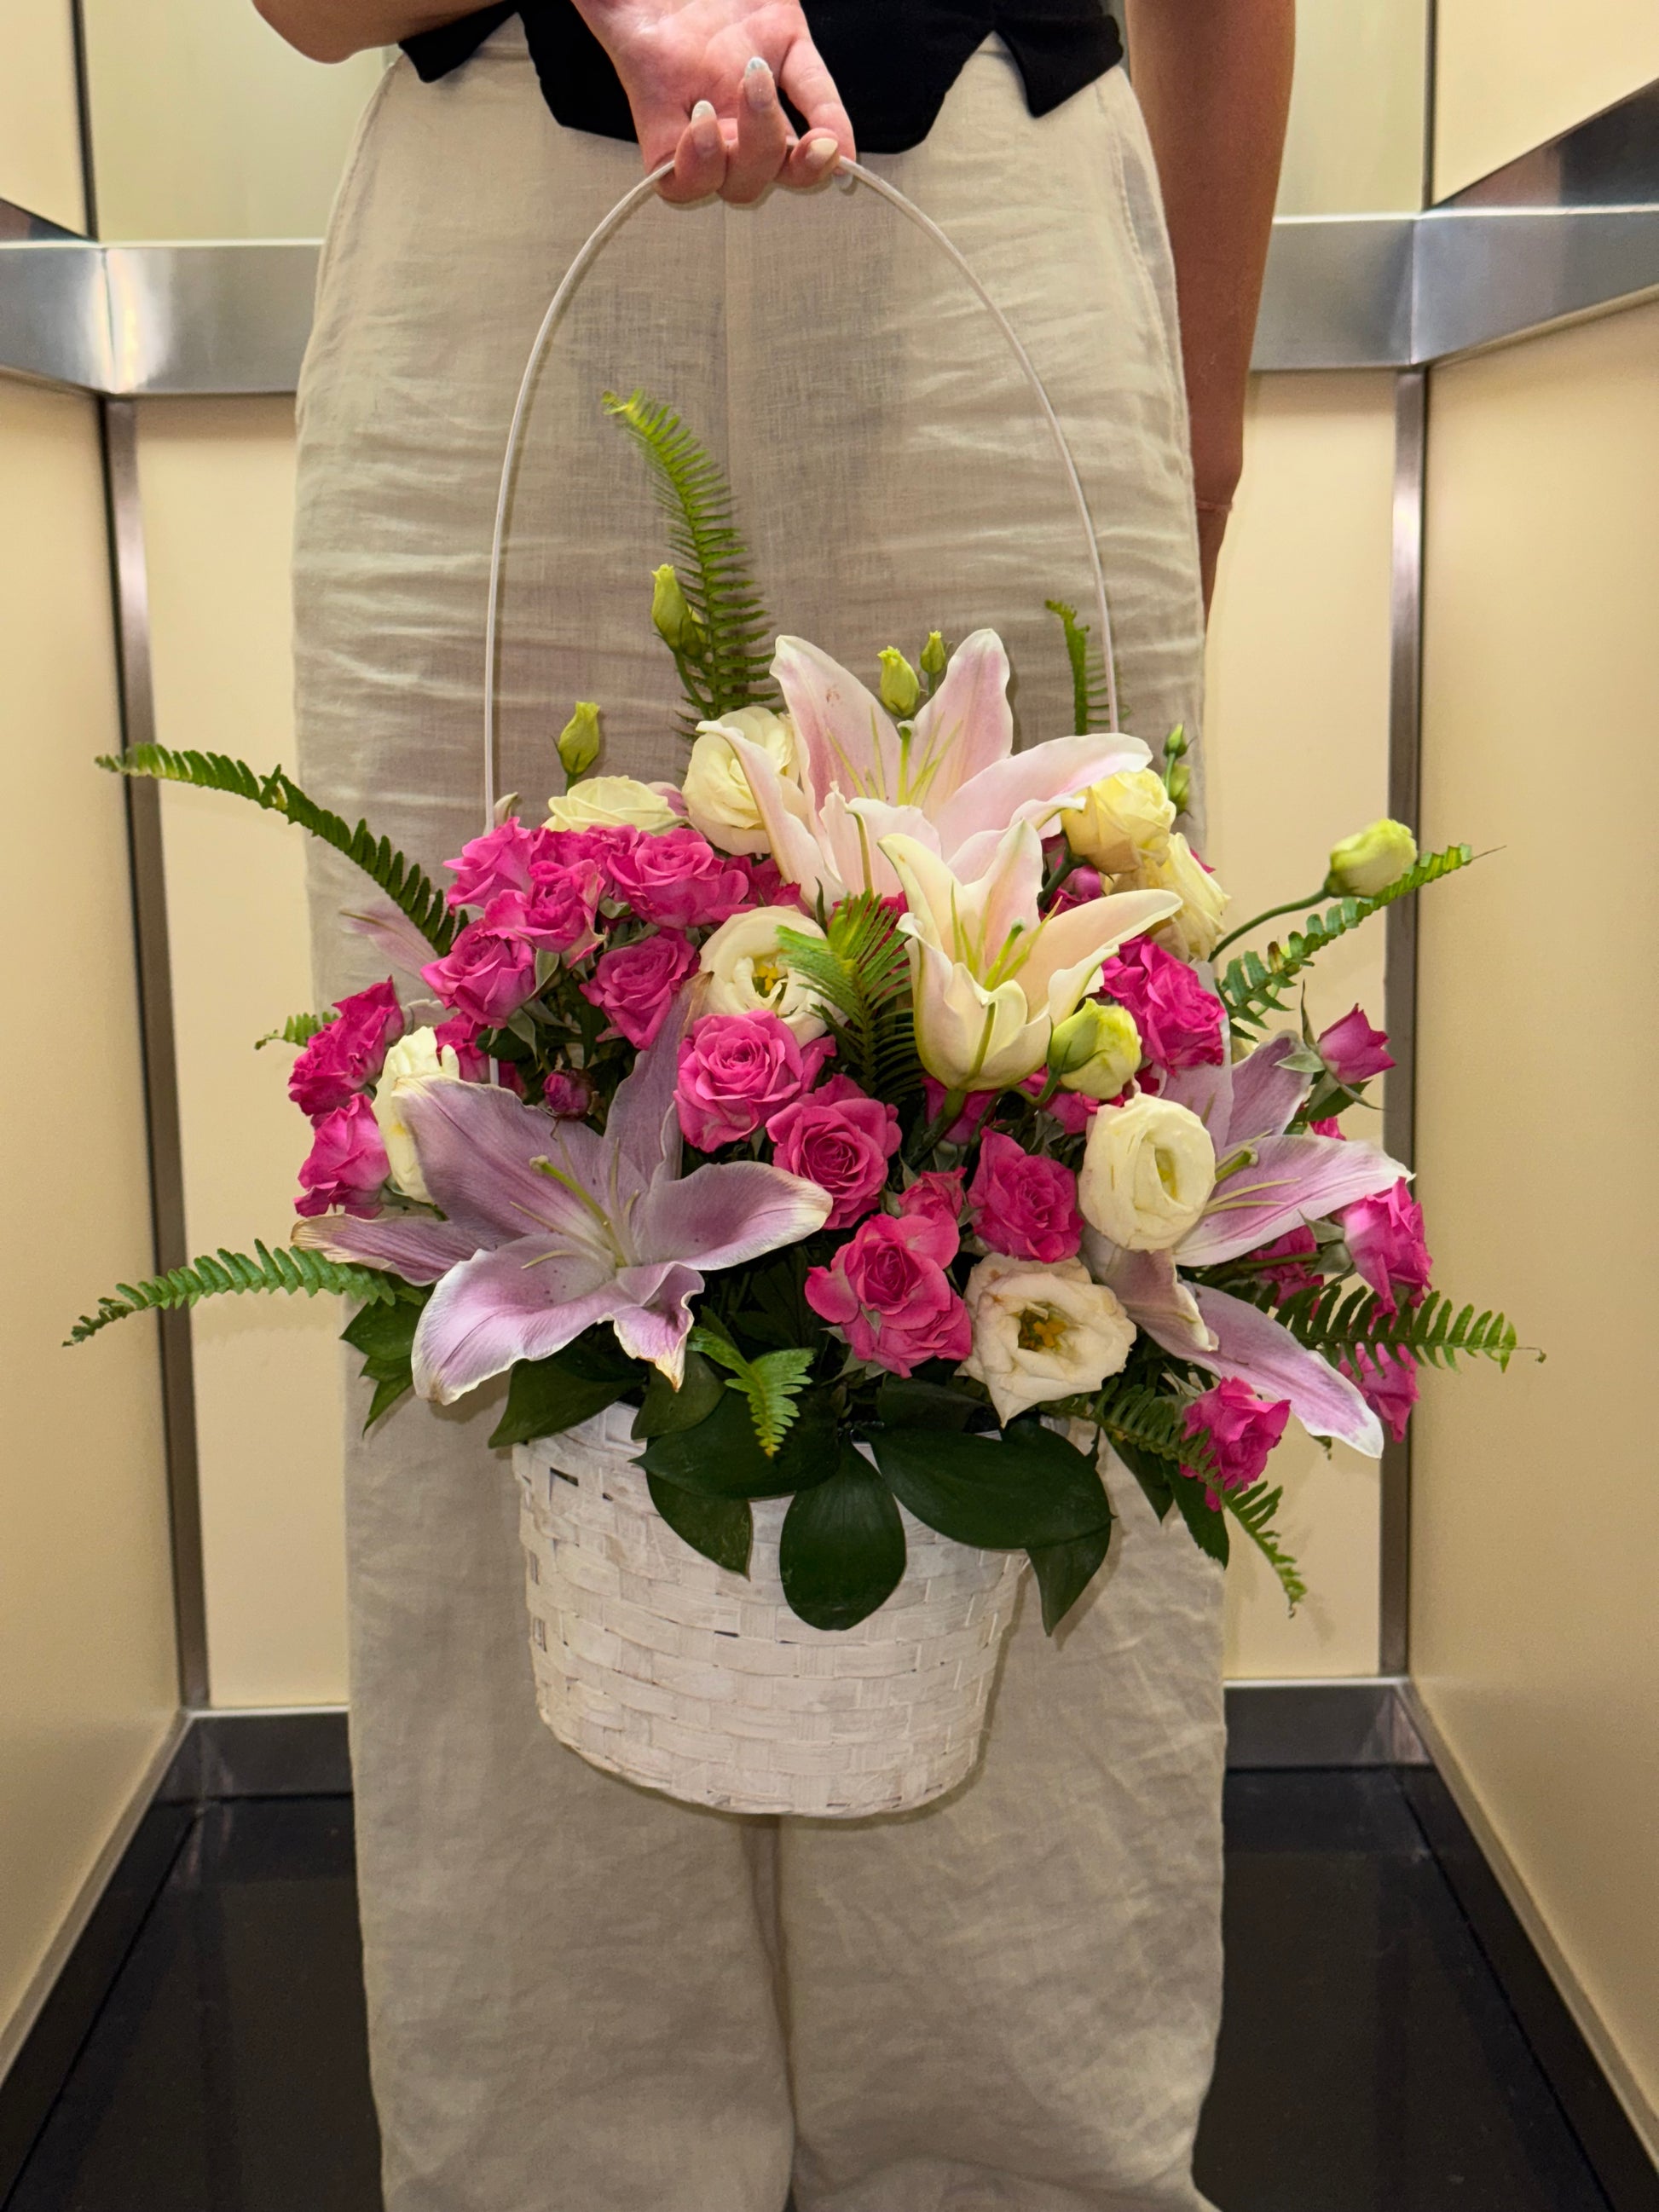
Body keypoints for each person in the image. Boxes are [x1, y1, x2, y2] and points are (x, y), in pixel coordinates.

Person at [253, 3, 1292, 2206]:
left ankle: (1031, 2152)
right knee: (496, 1208)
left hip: (1009, 216)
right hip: (499, 256)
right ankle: (557, 2152)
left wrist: (1201, 403)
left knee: (1059, 1213)